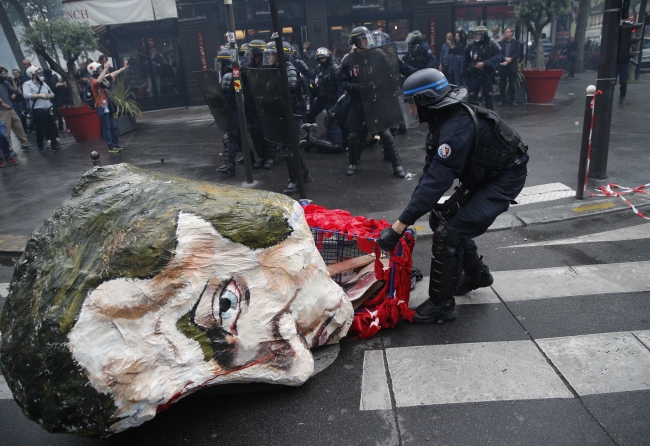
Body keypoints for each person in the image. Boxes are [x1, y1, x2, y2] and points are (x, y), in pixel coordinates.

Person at [377, 68, 528, 324]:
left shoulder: (457, 126)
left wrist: (399, 227)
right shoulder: (442, 122)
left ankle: (441, 305)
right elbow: (429, 175)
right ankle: (477, 275)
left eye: (412, 104)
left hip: (504, 178)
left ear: (426, 101)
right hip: (484, 175)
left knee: (450, 231)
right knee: (440, 219)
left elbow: (439, 179)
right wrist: (406, 217)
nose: (411, 111)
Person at [340, 26, 405, 178]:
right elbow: (343, 82)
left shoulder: (377, 55)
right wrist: (359, 87)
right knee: (354, 136)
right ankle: (353, 162)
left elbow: (389, 74)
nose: (367, 42)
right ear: (355, 41)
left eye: (367, 38)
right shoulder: (348, 60)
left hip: (375, 101)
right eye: (363, 39)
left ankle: (397, 165)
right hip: (357, 102)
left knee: (386, 134)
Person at [263, 42, 310, 194]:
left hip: (292, 113)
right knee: (290, 146)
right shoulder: (275, 69)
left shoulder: (289, 70)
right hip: (281, 113)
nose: (269, 57)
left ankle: (295, 181)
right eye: (268, 54)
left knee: (289, 149)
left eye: (272, 54)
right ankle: (303, 172)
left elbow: (288, 94)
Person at [240, 39, 275, 169]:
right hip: (251, 103)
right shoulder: (249, 65)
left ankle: (270, 157)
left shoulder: (266, 65)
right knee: (255, 131)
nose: (249, 53)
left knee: (268, 131)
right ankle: (261, 156)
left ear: (257, 51)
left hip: (264, 102)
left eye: (251, 50)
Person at [304, 47, 344, 153]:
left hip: (332, 100)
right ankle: (310, 133)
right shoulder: (319, 68)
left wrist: (339, 104)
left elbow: (341, 86)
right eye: (320, 58)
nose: (322, 60)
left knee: (331, 119)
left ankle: (335, 139)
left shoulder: (334, 68)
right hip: (321, 99)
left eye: (324, 58)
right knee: (309, 114)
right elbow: (314, 78)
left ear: (328, 57)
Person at [88, 60, 129, 153]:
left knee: (113, 126)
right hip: (101, 106)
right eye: (98, 69)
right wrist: (105, 69)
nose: (101, 70)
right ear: (94, 71)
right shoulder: (93, 81)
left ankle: (116, 144)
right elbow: (98, 80)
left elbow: (113, 74)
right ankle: (111, 147)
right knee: (107, 128)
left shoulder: (103, 78)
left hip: (108, 105)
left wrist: (123, 68)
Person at [22, 66, 62, 152]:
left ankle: (54, 145)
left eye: (41, 73)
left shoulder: (44, 83)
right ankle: (40, 146)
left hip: (47, 108)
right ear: (32, 74)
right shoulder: (27, 84)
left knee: (52, 127)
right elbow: (26, 95)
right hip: (38, 110)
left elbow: (52, 94)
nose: (41, 75)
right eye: (38, 73)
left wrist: (48, 96)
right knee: (40, 129)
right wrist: (40, 96)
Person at [215, 49, 240, 176]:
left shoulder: (228, 76)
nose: (218, 65)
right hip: (236, 110)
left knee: (229, 138)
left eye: (219, 62)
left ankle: (230, 166)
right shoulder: (232, 74)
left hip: (234, 111)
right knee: (238, 139)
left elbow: (224, 96)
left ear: (225, 62)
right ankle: (250, 159)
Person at [463, 25, 501, 110]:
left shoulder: (491, 43)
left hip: (487, 74)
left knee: (488, 95)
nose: (476, 36)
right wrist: (465, 74)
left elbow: (498, 57)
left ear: (484, 34)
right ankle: (471, 115)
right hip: (474, 74)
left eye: (479, 34)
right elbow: (465, 59)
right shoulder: (471, 44)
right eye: (476, 34)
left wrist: (484, 63)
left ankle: (491, 116)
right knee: (472, 95)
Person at [0, 66, 32, 152]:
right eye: (3, 73)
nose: (4, 74)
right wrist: (3, 104)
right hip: (2, 110)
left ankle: (24, 144)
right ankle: (9, 148)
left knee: (18, 126)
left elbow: (16, 91)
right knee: (6, 129)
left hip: (10, 108)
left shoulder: (5, 83)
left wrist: (12, 81)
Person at [497, 26, 520, 107]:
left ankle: (512, 100)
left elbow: (517, 53)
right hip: (503, 66)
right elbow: (498, 54)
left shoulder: (516, 43)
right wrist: (505, 59)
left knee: (512, 84)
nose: (506, 33)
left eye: (507, 32)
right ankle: (501, 100)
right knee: (502, 84)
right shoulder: (500, 43)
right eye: (505, 32)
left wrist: (510, 59)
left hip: (512, 65)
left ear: (512, 33)